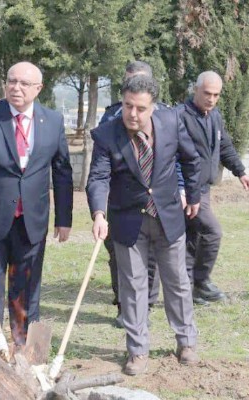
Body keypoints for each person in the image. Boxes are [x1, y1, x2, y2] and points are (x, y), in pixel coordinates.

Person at [87, 75, 201, 376]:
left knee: (177, 282)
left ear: (153, 108)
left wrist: (194, 193)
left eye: (140, 108)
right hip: (128, 223)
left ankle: (186, 342)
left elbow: (191, 160)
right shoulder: (106, 135)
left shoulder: (171, 123)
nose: (133, 114)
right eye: (127, 106)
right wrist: (99, 213)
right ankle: (137, 350)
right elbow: (98, 178)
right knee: (133, 288)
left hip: (168, 218)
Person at [0, 61, 73, 347]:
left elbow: (62, 171)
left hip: (31, 221)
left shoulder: (53, 121)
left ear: (38, 88)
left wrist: (64, 217)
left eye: (24, 83)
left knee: (27, 287)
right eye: (11, 81)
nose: (16, 88)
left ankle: (23, 346)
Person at [181, 71, 249, 305]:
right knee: (212, 232)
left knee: (193, 238)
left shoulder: (214, 116)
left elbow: (224, 146)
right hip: (186, 191)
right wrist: (182, 189)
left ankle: (189, 288)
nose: (211, 99)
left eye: (216, 95)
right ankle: (201, 282)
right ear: (196, 90)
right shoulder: (180, 117)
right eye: (207, 93)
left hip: (204, 189)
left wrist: (240, 171)